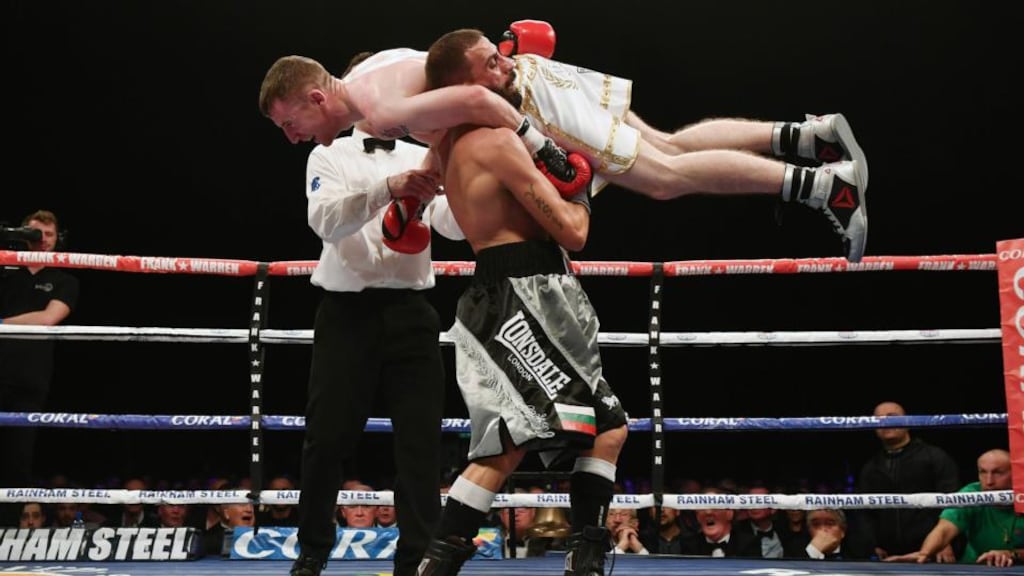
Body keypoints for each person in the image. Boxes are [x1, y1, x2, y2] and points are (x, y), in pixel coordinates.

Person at [260, 26, 869, 262]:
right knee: (666, 145)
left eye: (291, 125)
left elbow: (474, 102)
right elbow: (448, 111)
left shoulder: (377, 106)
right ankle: (807, 137)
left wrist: (538, 146)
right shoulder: (371, 79)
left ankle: (824, 187)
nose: (294, 140)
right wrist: (422, 186)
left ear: (315, 98)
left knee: (660, 176)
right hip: (527, 80)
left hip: (526, 100)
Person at [412, 113, 629, 576]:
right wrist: (580, 189)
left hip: (549, 294)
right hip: (517, 295)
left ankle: (585, 558)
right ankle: (436, 565)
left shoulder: (472, 144)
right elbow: (575, 232)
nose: (505, 72)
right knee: (507, 444)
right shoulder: (491, 142)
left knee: (609, 428)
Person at [285, 111, 464, 576]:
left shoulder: (424, 157)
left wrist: (464, 183)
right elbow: (324, 222)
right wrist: (389, 188)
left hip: (413, 312)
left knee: (421, 441)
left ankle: (417, 557)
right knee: (327, 437)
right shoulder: (328, 154)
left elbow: (452, 227)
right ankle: (312, 551)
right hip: (348, 314)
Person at [0, 209, 79, 527]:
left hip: (28, 381)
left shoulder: (65, 279)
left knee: (16, 460)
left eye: (47, 234)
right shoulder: (5, 269)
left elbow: (49, 318)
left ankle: (5, 531)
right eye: (35, 233)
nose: (42, 241)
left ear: (57, 238)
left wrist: (1, 323)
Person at [855, 400, 961, 560]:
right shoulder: (870, 467)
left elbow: (952, 501)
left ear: (908, 421)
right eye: (879, 419)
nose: (885, 422)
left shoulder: (934, 457)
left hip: (931, 551)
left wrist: (943, 541)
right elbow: (864, 512)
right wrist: (872, 545)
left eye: (892, 417)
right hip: (888, 555)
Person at [885, 448, 1024, 567]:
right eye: (982, 472)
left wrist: (1012, 554)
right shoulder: (972, 494)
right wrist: (925, 553)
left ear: (1017, 472)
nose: (989, 481)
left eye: (998, 473)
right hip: (976, 567)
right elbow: (945, 529)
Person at [787, 508, 871, 560]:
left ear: (843, 531)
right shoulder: (795, 550)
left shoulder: (859, 551)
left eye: (830, 524)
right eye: (816, 524)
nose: (823, 529)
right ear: (809, 530)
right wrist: (813, 551)